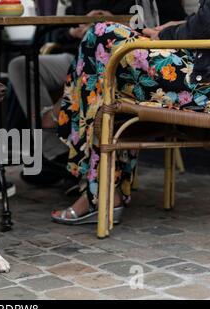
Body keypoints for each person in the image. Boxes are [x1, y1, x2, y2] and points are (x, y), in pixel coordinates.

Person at [51, 0, 210, 224]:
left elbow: (205, 26)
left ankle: (97, 190)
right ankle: (104, 190)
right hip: (200, 74)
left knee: (101, 34)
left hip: (203, 85)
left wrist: (166, 33)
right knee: (109, 63)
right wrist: (180, 25)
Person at [8, 0, 136, 187]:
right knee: (21, 66)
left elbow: (161, 24)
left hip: (120, 57)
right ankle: (58, 153)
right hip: (75, 54)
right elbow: (57, 32)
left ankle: (73, 152)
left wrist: (115, 25)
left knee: (94, 71)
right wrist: (74, 32)